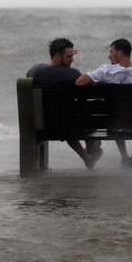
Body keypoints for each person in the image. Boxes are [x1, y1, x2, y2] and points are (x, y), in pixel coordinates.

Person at [75, 38, 132, 171]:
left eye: (111, 52)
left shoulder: (105, 71)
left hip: (112, 125)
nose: (109, 55)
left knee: (115, 115)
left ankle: (124, 156)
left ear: (119, 54)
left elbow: (80, 82)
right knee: (123, 114)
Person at [27, 38, 103, 169]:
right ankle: (91, 149)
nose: (72, 60)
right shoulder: (72, 74)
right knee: (83, 115)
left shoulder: (34, 70)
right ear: (57, 56)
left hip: (43, 125)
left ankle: (87, 157)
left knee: (67, 118)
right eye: (69, 56)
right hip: (67, 125)